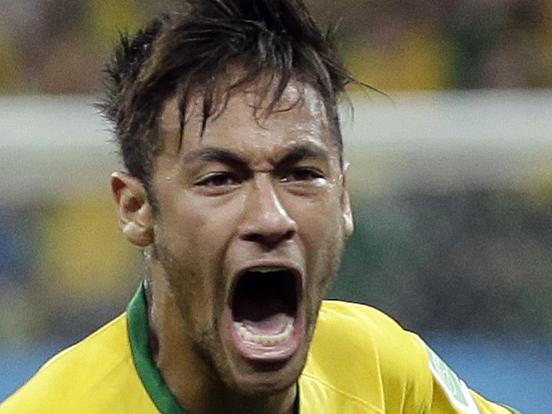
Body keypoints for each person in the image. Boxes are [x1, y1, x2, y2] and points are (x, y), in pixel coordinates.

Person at [0, 1, 519, 413]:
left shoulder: (380, 371)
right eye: (220, 179)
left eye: (302, 175)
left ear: (343, 199)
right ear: (138, 209)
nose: (272, 218)